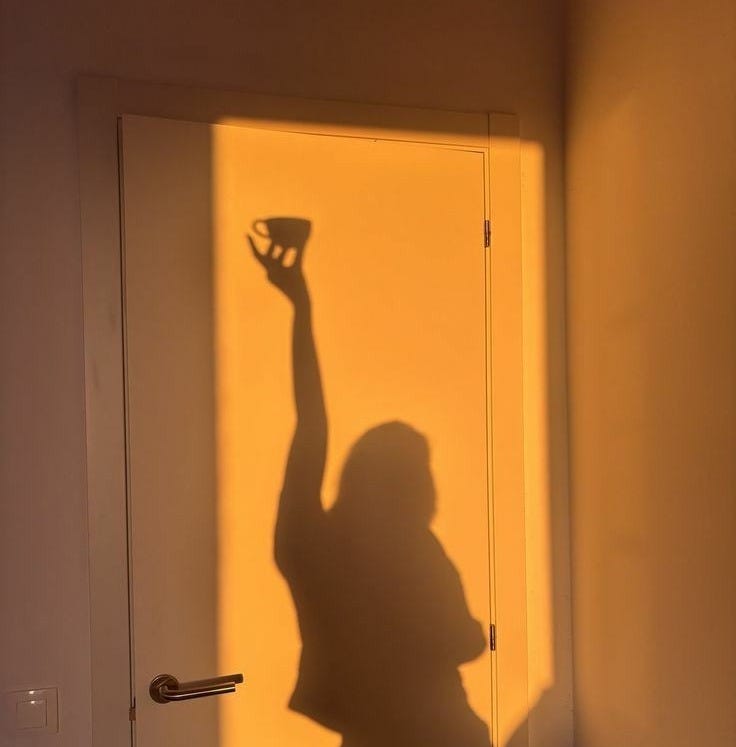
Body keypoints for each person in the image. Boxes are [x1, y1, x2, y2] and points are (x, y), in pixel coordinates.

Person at [249, 229, 491, 747]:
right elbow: (462, 640)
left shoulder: (306, 544)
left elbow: (310, 423)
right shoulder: (415, 550)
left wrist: (301, 306)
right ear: (419, 486)